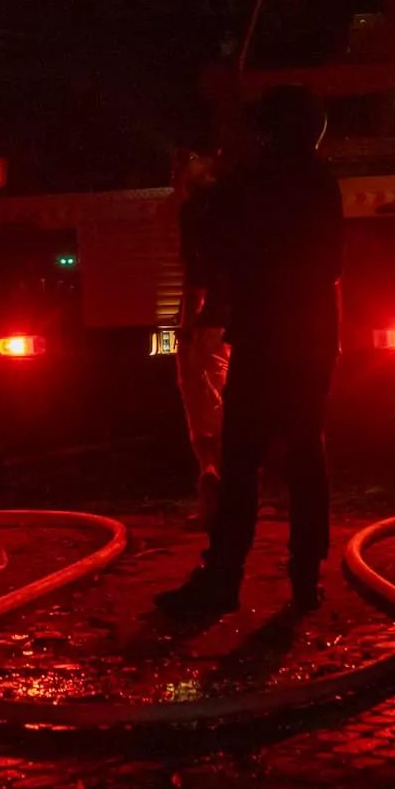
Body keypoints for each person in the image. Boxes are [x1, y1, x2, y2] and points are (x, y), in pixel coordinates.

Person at [155, 86, 343, 619]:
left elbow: (208, 244)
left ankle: (222, 582)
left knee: (241, 463)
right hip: (310, 341)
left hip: (264, 339)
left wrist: (212, 186)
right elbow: (329, 266)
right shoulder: (319, 181)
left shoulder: (254, 182)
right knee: (307, 458)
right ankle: (306, 582)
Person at [173, 144, 231, 529]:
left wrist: (187, 327)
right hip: (232, 318)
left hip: (209, 323)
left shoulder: (195, 212)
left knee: (204, 406)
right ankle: (226, 494)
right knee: (219, 404)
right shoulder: (235, 206)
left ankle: (216, 494)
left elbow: (195, 276)